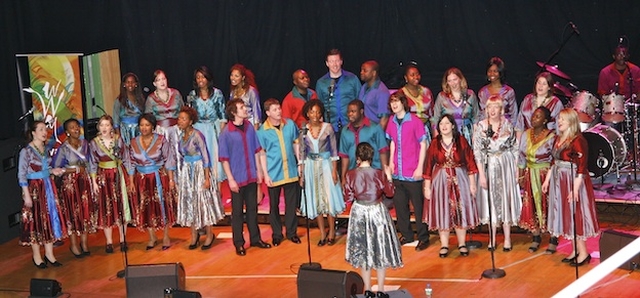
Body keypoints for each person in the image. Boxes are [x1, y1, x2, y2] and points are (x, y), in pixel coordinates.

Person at [542, 109, 600, 266]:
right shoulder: (558, 139)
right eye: (559, 119)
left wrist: (575, 189)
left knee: (576, 215)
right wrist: (547, 181)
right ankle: (574, 250)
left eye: (563, 119)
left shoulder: (578, 140)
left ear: (571, 122)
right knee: (566, 215)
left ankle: (583, 252)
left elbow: (581, 167)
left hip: (573, 180)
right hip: (559, 179)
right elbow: (553, 161)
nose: (559, 121)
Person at [344, 142, 401, 296]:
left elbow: (348, 197)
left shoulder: (350, 174)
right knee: (380, 250)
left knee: (364, 252)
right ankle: (381, 290)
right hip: (377, 211)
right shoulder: (378, 173)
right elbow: (390, 193)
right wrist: (389, 177)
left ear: (357, 157)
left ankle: (368, 289)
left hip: (360, 212)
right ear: (371, 156)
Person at [219, 98, 271, 256]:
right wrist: (231, 179)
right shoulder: (226, 133)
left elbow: (256, 150)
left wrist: (259, 172)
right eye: (241, 107)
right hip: (237, 177)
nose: (245, 109)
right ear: (234, 112)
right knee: (237, 213)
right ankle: (239, 243)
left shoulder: (249, 127)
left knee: (253, 210)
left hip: (251, 175)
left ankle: (255, 238)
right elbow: (224, 159)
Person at [423, 114, 479, 258]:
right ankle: (444, 245)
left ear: (453, 125)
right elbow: (428, 165)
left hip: (460, 178)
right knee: (443, 211)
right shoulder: (435, 143)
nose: (444, 126)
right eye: (441, 124)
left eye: (447, 123)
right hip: (441, 180)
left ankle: (461, 243)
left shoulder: (461, 141)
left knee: (460, 211)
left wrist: (472, 183)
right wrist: (427, 187)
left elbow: (470, 161)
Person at [473, 95, 521, 251]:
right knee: (491, 201)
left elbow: (514, 148)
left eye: (495, 107)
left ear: (501, 109)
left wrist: (515, 169)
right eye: (489, 107)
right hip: (489, 165)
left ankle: (507, 238)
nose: (492, 110)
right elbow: (477, 152)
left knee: (505, 198)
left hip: (505, 164)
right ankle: (492, 238)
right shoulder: (480, 126)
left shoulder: (507, 125)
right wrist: (481, 173)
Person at [18, 121, 67, 268]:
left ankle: (50, 254)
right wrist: (26, 194)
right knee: (36, 221)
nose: (44, 132)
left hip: (47, 186)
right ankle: (37, 256)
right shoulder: (26, 152)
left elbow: (46, 168)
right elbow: (22, 174)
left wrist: (53, 171)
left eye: (45, 129)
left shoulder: (44, 149)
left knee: (49, 219)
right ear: (33, 133)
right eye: (40, 130)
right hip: (35, 188)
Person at [175, 106, 225, 250]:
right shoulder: (180, 135)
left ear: (190, 121)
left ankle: (209, 234)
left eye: (183, 119)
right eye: (179, 118)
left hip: (199, 169)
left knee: (204, 202)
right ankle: (194, 234)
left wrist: (207, 177)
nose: (180, 121)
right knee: (190, 201)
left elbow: (205, 156)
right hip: (187, 171)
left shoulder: (197, 135)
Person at [386, 91, 430, 251]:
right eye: (392, 102)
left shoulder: (415, 121)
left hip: (413, 170)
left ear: (403, 102)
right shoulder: (391, 121)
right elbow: (392, 143)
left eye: (397, 101)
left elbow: (423, 144)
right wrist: (391, 163)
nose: (394, 104)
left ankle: (423, 237)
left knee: (418, 207)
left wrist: (420, 167)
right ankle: (407, 234)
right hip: (398, 170)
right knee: (400, 205)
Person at [299, 99, 345, 246]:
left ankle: (332, 231)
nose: (315, 115)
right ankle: (322, 233)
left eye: (318, 112)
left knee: (329, 199)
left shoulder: (328, 128)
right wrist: (302, 173)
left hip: (326, 165)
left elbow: (334, 151)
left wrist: (334, 170)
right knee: (316, 200)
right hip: (311, 166)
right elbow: (302, 152)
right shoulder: (304, 129)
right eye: (312, 112)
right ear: (307, 113)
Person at [257, 99, 302, 246]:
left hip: (290, 170)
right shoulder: (263, 131)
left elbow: (296, 144)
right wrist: (265, 174)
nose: (279, 111)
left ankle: (291, 232)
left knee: (291, 204)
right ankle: (277, 233)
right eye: (275, 109)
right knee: (274, 205)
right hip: (274, 171)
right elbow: (262, 153)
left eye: (279, 108)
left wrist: (300, 163)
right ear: (268, 112)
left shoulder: (289, 125)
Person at [129, 113, 177, 251]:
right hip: (141, 178)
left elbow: (169, 160)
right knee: (146, 207)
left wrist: (171, 179)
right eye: (142, 125)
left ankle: (166, 236)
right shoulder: (133, 142)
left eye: (147, 125)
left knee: (162, 206)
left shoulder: (161, 140)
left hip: (158, 177)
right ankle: (152, 237)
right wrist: (131, 181)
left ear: (153, 126)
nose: (144, 128)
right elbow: (131, 163)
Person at [89, 115, 133, 254]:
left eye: (107, 125)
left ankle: (122, 238)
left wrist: (130, 176)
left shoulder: (118, 140)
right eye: (101, 125)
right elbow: (92, 162)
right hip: (104, 176)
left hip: (118, 174)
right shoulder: (94, 143)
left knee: (121, 206)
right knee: (106, 207)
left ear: (111, 126)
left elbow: (126, 158)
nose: (104, 128)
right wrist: (94, 181)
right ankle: (108, 241)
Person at [518, 107, 559, 253]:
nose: (534, 118)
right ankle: (536, 236)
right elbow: (521, 156)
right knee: (532, 205)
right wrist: (521, 174)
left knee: (549, 205)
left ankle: (553, 237)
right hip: (530, 173)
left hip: (544, 174)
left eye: (538, 116)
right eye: (534, 115)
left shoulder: (551, 136)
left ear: (545, 120)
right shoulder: (525, 134)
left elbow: (555, 158)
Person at [52, 118, 95, 257]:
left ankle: (84, 243)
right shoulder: (63, 148)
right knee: (72, 213)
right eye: (72, 127)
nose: (76, 129)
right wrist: (74, 170)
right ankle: (74, 245)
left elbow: (90, 162)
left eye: (77, 126)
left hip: (83, 182)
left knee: (85, 211)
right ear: (67, 132)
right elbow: (56, 168)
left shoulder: (85, 144)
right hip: (70, 184)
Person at [186, 66, 227, 185]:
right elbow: (189, 115)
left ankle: (218, 195)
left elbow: (222, 115)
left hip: (214, 130)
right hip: (198, 130)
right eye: (198, 77)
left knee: (215, 161)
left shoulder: (217, 94)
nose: (200, 80)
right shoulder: (192, 95)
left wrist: (222, 135)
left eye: (203, 77)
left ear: (208, 78)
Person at [339, 99, 389, 183]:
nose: (350, 114)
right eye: (348, 112)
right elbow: (344, 156)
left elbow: (383, 151)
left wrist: (385, 174)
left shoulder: (375, 128)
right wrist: (343, 177)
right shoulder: (345, 131)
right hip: (354, 175)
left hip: (373, 173)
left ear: (361, 111)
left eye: (353, 111)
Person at [145, 69, 183, 171]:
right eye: (158, 80)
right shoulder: (151, 98)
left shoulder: (176, 93)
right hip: (161, 130)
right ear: (154, 83)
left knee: (179, 155)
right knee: (163, 156)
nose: (162, 82)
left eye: (163, 79)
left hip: (176, 129)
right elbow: (148, 118)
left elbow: (183, 111)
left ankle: (181, 182)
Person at [316, 49, 361, 133]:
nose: (335, 64)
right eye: (331, 61)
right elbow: (320, 105)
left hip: (351, 125)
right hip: (330, 127)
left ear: (341, 61)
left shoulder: (352, 79)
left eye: (337, 61)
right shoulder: (321, 83)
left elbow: (360, 101)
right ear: (327, 63)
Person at [432, 67, 479, 144]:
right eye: (449, 81)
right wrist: (436, 137)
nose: (453, 83)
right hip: (448, 134)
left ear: (460, 79)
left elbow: (476, 116)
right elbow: (436, 118)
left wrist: (475, 136)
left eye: (455, 79)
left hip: (467, 134)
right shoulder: (441, 97)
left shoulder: (470, 95)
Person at [515, 72, 564, 140]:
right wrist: (519, 142)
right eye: (539, 83)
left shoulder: (556, 103)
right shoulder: (527, 98)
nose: (540, 86)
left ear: (549, 87)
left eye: (544, 84)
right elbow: (519, 124)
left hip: (545, 142)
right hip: (526, 140)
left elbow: (560, 127)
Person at [477, 57, 518, 126]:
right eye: (490, 71)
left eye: (495, 71)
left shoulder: (508, 91)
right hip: (488, 129)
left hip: (505, 128)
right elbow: (482, 114)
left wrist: (511, 130)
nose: (492, 74)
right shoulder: (482, 92)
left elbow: (514, 114)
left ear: (500, 72)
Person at [401, 64, 435, 143]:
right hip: (409, 131)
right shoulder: (401, 94)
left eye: (417, 74)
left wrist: (434, 134)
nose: (416, 77)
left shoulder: (426, 91)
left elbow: (432, 115)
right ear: (406, 78)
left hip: (425, 130)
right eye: (412, 75)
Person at [113, 72, 145, 145]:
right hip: (125, 131)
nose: (130, 84)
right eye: (128, 82)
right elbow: (116, 120)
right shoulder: (119, 100)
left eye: (132, 82)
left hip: (139, 130)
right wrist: (119, 136)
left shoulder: (140, 99)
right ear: (124, 84)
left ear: (136, 84)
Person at [359, 60, 391, 130]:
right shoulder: (364, 87)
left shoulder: (382, 92)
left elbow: (384, 119)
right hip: (364, 130)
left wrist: (377, 137)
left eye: (365, 71)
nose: (361, 72)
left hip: (374, 131)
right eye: (361, 70)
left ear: (374, 73)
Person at [229, 64, 262, 129]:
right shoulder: (233, 92)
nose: (233, 78)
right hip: (238, 124)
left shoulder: (251, 91)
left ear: (243, 77)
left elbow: (256, 112)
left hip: (250, 124)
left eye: (236, 76)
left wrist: (255, 130)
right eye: (232, 75)